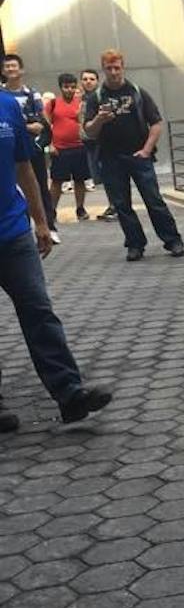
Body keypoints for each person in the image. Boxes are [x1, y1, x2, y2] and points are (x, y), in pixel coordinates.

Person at [0, 87, 112, 432]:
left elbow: (24, 167)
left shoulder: (6, 105)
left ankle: (70, 394)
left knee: (39, 311)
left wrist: (41, 222)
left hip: (13, 231)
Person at [82, 49, 184, 262]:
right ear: (103, 70)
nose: (113, 72)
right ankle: (135, 244)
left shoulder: (138, 92)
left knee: (154, 200)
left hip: (139, 156)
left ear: (123, 67)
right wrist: (100, 119)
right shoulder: (96, 98)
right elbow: (89, 131)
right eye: (109, 68)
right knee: (121, 204)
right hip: (110, 158)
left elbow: (156, 122)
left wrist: (147, 150)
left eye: (116, 67)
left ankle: (173, 240)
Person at [1, 54, 59, 243]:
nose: (11, 69)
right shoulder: (4, 97)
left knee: (39, 185)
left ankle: (49, 226)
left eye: (14, 66)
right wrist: (25, 127)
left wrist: (43, 132)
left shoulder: (31, 94)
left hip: (32, 147)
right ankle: (23, 226)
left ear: (21, 70)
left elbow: (43, 121)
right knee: (16, 188)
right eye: (7, 66)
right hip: (11, 147)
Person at [46, 73, 89, 221]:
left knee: (80, 180)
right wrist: (50, 145)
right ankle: (51, 210)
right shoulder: (52, 104)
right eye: (66, 87)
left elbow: (86, 123)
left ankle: (80, 208)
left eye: (72, 87)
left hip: (79, 146)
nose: (69, 90)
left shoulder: (81, 103)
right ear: (60, 87)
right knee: (57, 181)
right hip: (59, 149)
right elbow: (46, 126)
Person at [79, 68, 112, 213]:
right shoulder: (81, 100)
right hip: (88, 143)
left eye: (92, 79)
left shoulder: (101, 97)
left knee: (109, 176)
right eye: (85, 79)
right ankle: (113, 205)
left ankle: (115, 206)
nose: (88, 82)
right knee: (100, 177)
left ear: (97, 81)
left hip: (102, 143)